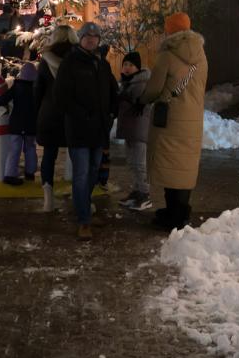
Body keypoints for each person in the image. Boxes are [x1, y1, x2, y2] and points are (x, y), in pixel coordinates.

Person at [140, 12, 208, 231]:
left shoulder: (167, 56)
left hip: (169, 119)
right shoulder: (201, 55)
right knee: (184, 166)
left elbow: (153, 90)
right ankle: (181, 211)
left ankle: (173, 215)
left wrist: (139, 99)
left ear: (169, 30)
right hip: (193, 118)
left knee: (170, 166)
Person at [54, 21, 118, 241]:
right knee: (81, 175)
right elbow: (61, 97)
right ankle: (83, 220)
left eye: (95, 36)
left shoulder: (102, 63)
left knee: (93, 172)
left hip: (99, 129)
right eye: (87, 36)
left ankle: (85, 209)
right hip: (79, 129)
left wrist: (112, 112)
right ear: (80, 38)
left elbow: (112, 89)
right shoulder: (70, 62)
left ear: (99, 39)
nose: (91, 39)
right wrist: (81, 115)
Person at [35, 25, 78, 212]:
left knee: (49, 156)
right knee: (78, 157)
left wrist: (37, 111)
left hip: (50, 112)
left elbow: (38, 90)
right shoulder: (79, 58)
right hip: (74, 113)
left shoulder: (45, 60)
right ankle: (80, 198)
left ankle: (48, 199)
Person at [0, 61, 39, 185]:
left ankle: (10, 174)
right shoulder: (37, 89)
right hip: (32, 125)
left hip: (16, 124)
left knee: (14, 149)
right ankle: (30, 172)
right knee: (31, 147)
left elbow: (4, 99)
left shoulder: (17, 86)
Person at [116, 52, 153, 211]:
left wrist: (124, 97)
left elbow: (138, 100)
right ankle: (137, 192)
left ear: (137, 67)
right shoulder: (127, 82)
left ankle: (144, 194)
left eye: (131, 65)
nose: (127, 68)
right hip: (130, 127)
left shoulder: (141, 82)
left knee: (139, 163)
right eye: (125, 64)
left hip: (139, 128)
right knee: (132, 162)